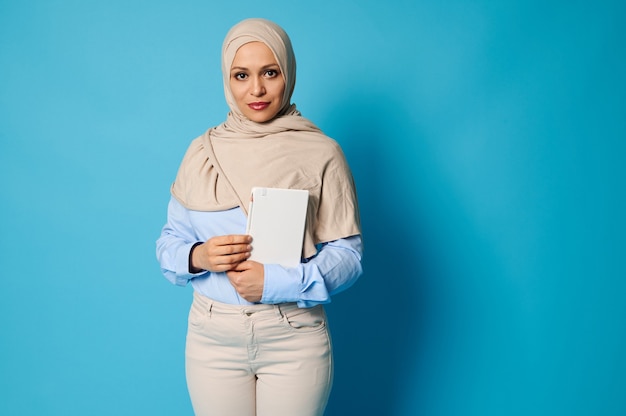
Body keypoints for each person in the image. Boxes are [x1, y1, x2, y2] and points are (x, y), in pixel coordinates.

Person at [156, 17, 363, 416]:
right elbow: (169, 241)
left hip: (293, 333)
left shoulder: (322, 152)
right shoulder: (202, 152)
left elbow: (349, 255)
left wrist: (276, 282)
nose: (256, 89)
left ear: (288, 73)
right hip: (212, 335)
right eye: (241, 75)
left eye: (270, 72)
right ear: (227, 79)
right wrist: (199, 256)